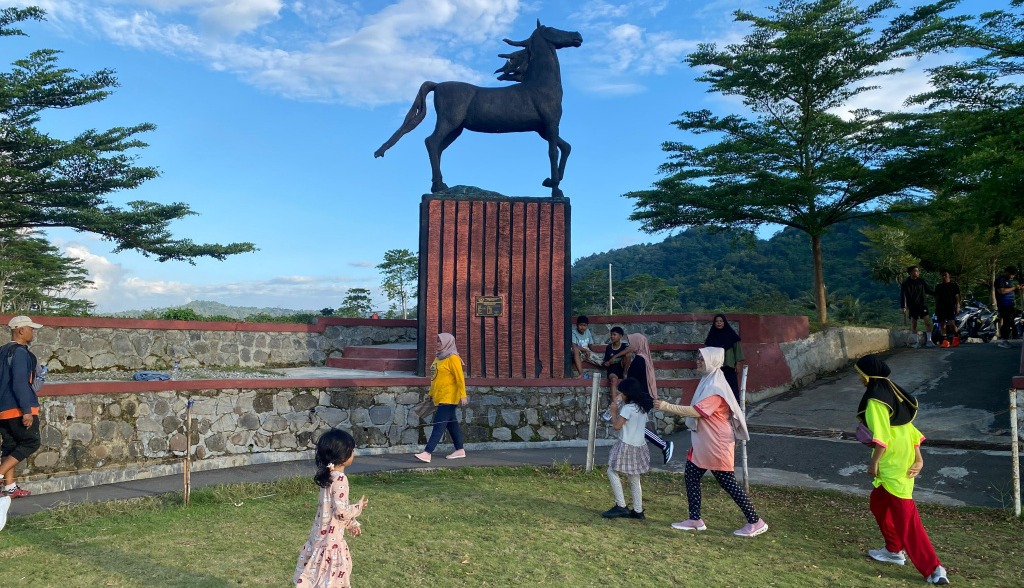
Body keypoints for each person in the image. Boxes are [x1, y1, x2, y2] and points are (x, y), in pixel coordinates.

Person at [855, 354, 949, 585]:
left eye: (859, 373)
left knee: (907, 520)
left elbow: (882, 437)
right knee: (878, 504)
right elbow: (911, 430)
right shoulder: (894, 392)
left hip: (892, 464)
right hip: (904, 459)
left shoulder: (876, 399)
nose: (858, 378)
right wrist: (919, 458)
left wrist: (874, 463)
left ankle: (934, 569)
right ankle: (893, 550)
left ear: (867, 375)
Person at [655, 347, 768, 537]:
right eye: (697, 357)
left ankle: (755, 521)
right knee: (691, 474)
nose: (697, 361)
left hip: (716, 441)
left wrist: (666, 406)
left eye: (702, 358)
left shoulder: (715, 387)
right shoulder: (708, 381)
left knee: (727, 482)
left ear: (712, 361)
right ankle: (695, 519)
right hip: (706, 440)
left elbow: (697, 411)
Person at [294, 428, 368, 587]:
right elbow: (341, 512)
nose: (354, 453)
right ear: (343, 454)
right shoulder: (340, 479)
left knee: (318, 577)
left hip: (320, 538)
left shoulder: (329, 475)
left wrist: (352, 524)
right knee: (331, 581)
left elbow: (331, 510)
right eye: (352, 450)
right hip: (330, 543)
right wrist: (358, 507)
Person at [0, 316, 44, 501]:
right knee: (31, 442)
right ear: (20, 330)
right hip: (17, 408)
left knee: (10, 447)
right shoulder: (20, 353)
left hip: (2, 409)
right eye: (30, 329)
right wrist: (27, 410)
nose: (33, 332)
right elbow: (20, 382)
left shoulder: (2, 351)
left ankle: (10, 487)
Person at [601, 378, 653, 520]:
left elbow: (617, 426)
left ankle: (621, 505)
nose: (620, 395)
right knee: (634, 478)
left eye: (622, 393)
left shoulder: (627, 409)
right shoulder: (642, 408)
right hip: (639, 446)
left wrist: (613, 412)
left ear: (627, 394)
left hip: (626, 444)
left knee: (612, 471)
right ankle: (638, 510)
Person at [414, 333, 468, 463]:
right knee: (452, 424)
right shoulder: (438, 358)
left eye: (440, 341)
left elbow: (459, 378)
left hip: (449, 398)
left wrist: (463, 395)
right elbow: (434, 379)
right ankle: (460, 449)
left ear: (447, 343)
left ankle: (427, 452)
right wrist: (430, 394)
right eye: (437, 341)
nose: (437, 343)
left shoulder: (453, 358)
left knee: (438, 424)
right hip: (439, 397)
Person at [622, 333, 673, 464]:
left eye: (631, 342)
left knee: (636, 426)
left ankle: (663, 445)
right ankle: (634, 456)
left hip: (641, 398)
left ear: (637, 343)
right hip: (645, 397)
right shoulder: (644, 358)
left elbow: (632, 381)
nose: (629, 345)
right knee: (635, 426)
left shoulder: (639, 360)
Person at [704, 314, 744, 400]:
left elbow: (737, 349)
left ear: (724, 322)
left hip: (729, 365)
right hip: (716, 368)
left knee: (732, 386)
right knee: (718, 388)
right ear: (714, 323)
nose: (719, 323)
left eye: (721, 321)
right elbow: (708, 351)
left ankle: (735, 407)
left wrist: (737, 363)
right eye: (717, 321)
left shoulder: (731, 335)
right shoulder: (712, 336)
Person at [900, 266, 935, 348]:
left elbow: (928, 290)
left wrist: (936, 294)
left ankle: (929, 341)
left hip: (922, 304)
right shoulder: (905, 283)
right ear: (911, 272)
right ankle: (916, 342)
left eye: (918, 271)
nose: (918, 272)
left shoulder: (921, 281)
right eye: (916, 271)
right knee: (913, 323)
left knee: (927, 322)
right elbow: (903, 296)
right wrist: (903, 307)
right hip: (912, 306)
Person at [933, 271, 961, 348]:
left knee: (952, 323)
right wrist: (936, 307)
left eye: (945, 275)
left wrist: (957, 306)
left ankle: (956, 336)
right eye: (942, 275)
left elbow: (957, 297)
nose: (943, 277)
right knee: (942, 324)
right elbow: (937, 298)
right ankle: (945, 341)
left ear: (949, 276)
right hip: (941, 307)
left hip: (950, 306)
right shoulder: (938, 286)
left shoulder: (954, 285)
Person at [994, 266, 1020, 349]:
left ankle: (1009, 337)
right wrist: (1014, 287)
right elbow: (1001, 291)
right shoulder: (1000, 280)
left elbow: (1011, 291)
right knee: (1006, 322)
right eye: (1012, 275)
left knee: (1011, 321)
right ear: (1007, 272)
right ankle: (1003, 340)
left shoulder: (1009, 281)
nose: (1012, 277)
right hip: (1004, 305)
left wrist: (1018, 288)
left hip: (1011, 304)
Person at [601, 327, 629, 392]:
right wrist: (607, 363)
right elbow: (605, 361)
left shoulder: (624, 346)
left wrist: (614, 357)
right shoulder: (609, 347)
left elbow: (629, 350)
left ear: (620, 336)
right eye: (611, 335)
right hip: (612, 369)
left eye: (614, 335)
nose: (612, 336)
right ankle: (613, 401)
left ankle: (625, 373)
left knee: (628, 355)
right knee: (613, 379)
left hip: (622, 368)